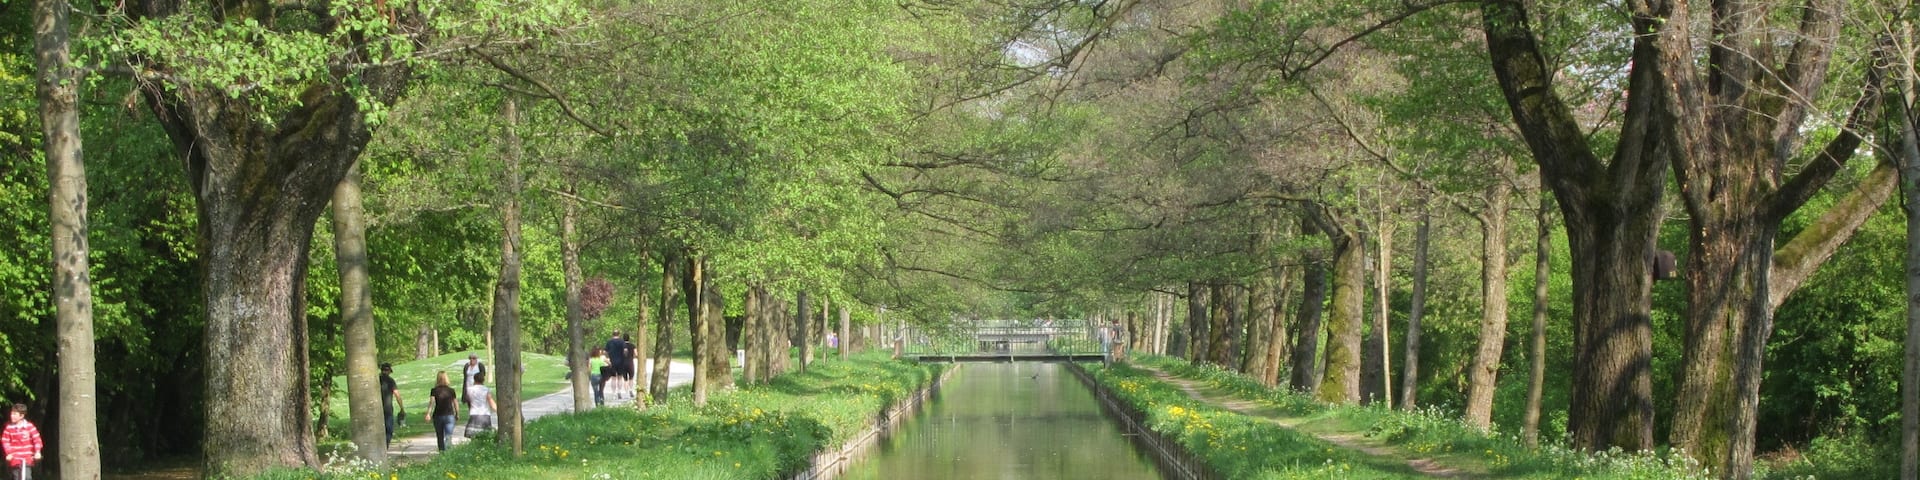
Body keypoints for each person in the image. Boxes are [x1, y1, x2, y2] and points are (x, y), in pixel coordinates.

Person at [2, 404, 41, 480]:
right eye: (11, 414)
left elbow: (37, 439)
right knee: (17, 477)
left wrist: (37, 452)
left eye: (14, 414)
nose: (12, 416)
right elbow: (5, 441)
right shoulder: (9, 428)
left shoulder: (29, 426)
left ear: (21, 416)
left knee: (26, 477)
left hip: (27, 458)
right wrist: (9, 453)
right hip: (15, 459)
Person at [425, 371, 458, 451]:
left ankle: (442, 453)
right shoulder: (451, 390)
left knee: (439, 436)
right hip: (449, 415)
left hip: (438, 415)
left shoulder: (434, 390)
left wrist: (428, 413)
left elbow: (432, 402)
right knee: (448, 436)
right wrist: (457, 413)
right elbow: (455, 403)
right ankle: (448, 452)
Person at [379, 363, 404, 446]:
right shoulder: (390, 381)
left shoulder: (376, 380)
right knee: (389, 430)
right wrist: (402, 408)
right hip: (387, 408)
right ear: (389, 371)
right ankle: (385, 446)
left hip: (376, 409)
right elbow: (397, 394)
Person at [464, 371, 496, 437]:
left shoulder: (469, 389)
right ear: (483, 380)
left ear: (474, 379)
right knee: (485, 436)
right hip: (484, 414)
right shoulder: (486, 389)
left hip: (474, 413)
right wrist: (497, 410)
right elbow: (490, 401)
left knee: (473, 436)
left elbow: (468, 400)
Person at [604, 332, 628, 399]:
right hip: (621, 362)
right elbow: (625, 350)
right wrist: (624, 356)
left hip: (612, 362)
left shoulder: (609, 342)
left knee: (613, 378)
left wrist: (608, 357)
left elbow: (605, 352)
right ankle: (619, 392)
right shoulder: (622, 342)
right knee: (620, 377)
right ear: (619, 334)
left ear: (612, 334)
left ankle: (613, 393)